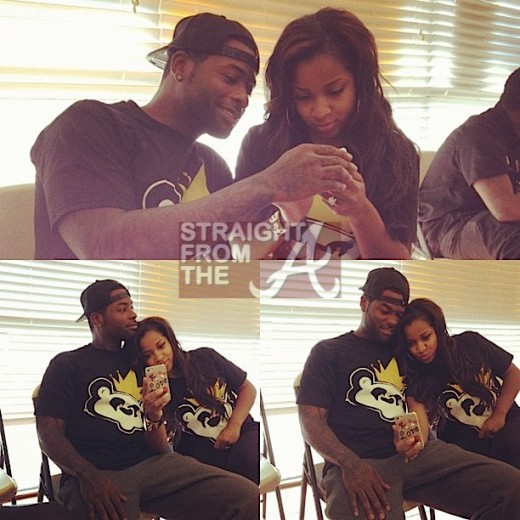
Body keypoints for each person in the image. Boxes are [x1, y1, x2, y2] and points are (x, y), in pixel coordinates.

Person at [30, 12, 353, 260]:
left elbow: (233, 259)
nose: (242, 97)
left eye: (248, 88)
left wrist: (286, 217)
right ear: (181, 65)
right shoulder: (91, 124)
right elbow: (102, 247)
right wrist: (268, 183)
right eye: (231, 78)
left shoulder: (213, 166)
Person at [297, 267, 520, 520]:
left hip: (419, 458)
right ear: (364, 302)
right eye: (385, 310)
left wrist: (417, 442)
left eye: (398, 314)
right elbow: (310, 420)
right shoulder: (328, 352)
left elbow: (417, 406)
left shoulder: (406, 351)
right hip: (359, 461)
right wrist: (350, 463)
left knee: (511, 489)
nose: (392, 320)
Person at [34, 279, 258, 520]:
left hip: (155, 466)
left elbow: (161, 446)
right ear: (97, 319)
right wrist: (88, 475)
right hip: (99, 471)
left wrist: (153, 415)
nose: (133, 314)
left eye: (131, 306)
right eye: (122, 309)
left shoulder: (142, 362)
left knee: (244, 496)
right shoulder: (67, 364)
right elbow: (48, 433)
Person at [235, 8, 419, 260]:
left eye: (335, 91)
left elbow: (397, 265)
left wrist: (360, 210)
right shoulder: (261, 145)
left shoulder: (395, 153)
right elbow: (240, 254)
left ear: (360, 84)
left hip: (359, 285)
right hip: (276, 283)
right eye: (303, 96)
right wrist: (285, 217)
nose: (320, 111)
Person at [394, 297, 520, 469]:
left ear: (438, 329)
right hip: (470, 452)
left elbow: (513, 374)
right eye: (412, 344)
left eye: (426, 337)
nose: (421, 348)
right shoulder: (417, 378)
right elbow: (420, 426)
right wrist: (411, 444)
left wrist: (499, 414)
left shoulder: (471, 343)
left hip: (509, 424)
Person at [134, 316, 259, 484]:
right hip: (201, 453)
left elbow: (247, 388)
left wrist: (234, 426)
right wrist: (153, 413)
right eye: (148, 355)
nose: (158, 356)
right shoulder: (152, 390)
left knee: (246, 461)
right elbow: (161, 446)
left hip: (243, 431)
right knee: (221, 484)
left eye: (161, 345)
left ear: (171, 340)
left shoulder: (206, 358)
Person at [419, 67, 520, 259]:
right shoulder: (480, 133)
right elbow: (505, 208)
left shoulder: (514, 135)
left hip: (488, 219)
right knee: (512, 239)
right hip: (451, 225)